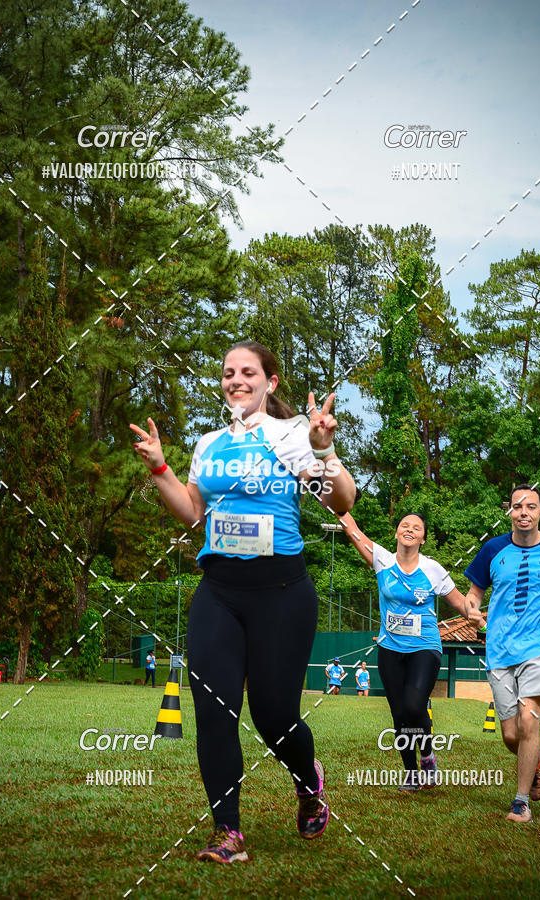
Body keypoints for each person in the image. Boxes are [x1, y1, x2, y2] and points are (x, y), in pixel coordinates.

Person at [130, 340, 357, 863]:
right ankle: (227, 832)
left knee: (274, 716)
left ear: (269, 382)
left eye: (248, 372)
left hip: (282, 593)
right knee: (213, 712)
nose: (236, 380)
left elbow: (342, 501)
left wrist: (323, 451)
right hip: (219, 593)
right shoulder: (209, 443)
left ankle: (308, 782)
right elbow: (193, 514)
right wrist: (162, 469)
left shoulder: (294, 434)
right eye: (229, 372)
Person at [341, 510, 474, 791]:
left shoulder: (433, 569)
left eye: (416, 527)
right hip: (389, 648)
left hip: (425, 646)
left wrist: (478, 617)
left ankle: (427, 756)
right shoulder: (382, 560)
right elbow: (352, 530)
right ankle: (411, 773)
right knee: (399, 714)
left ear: (423, 538)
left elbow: (459, 602)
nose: (410, 529)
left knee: (414, 705)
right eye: (404, 525)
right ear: (396, 533)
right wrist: (338, 504)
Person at [465, 484, 540, 823]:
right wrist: (472, 609)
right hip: (500, 650)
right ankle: (534, 760)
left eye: (531, 507)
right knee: (511, 734)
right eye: (517, 507)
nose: (523, 512)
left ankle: (520, 802)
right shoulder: (492, 549)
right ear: (509, 512)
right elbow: (474, 593)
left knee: (529, 720)